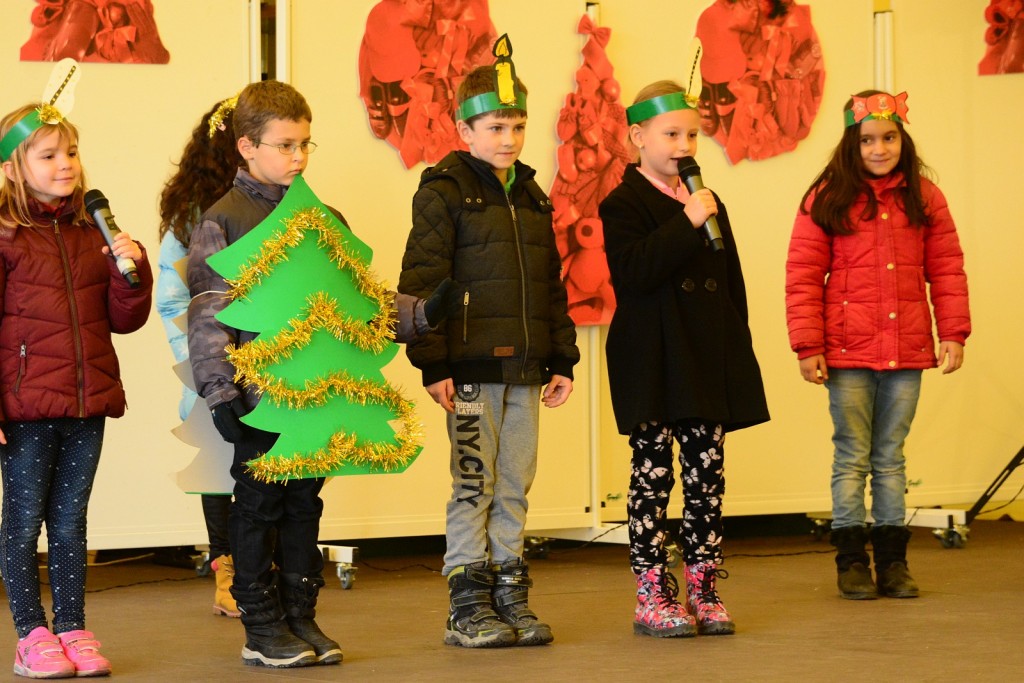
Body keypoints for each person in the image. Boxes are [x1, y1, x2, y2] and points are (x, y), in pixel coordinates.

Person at [398, 35, 580, 649]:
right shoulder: (443, 191)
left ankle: (509, 592)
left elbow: (550, 284)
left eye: (518, 126)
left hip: (526, 370)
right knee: (473, 481)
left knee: (514, 482)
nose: (509, 138)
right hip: (471, 370)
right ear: (465, 129)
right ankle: (467, 602)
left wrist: (562, 357)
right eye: (496, 127)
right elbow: (422, 283)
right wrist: (433, 363)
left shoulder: (531, 195)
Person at [599, 79, 769, 638]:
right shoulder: (623, 203)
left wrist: (736, 349)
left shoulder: (707, 202)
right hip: (652, 359)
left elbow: (730, 283)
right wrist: (687, 221)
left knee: (706, 477)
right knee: (652, 476)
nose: (684, 146)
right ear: (638, 137)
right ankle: (652, 591)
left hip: (703, 357)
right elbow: (634, 272)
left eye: (692, 135)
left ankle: (704, 587)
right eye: (671, 134)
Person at [785, 90, 970, 600]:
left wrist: (953, 332)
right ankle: (850, 562)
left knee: (890, 457)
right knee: (852, 456)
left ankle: (892, 563)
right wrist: (808, 344)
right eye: (868, 140)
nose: (879, 148)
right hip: (846, 353)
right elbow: (802, 275)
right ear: (852, 144)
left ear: (902, 140)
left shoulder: (925, 198)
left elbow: (947, 269)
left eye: (889, 138)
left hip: (906, 352)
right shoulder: (826, 197)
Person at [187, 80, 343, 670]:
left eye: (305, 144)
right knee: (258, 504)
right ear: (247, 147)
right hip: (257, 393)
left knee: (304, 502)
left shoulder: (321, 217)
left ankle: (301, 615)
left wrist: (419, 314)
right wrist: (219, 388)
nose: (298, 157)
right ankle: (260, 625)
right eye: (285, 146)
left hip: (313, 389)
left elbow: (353, 299)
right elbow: (208, 310)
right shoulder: (223, 220)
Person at [0, 101, 152, 678]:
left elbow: (123, 319)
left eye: (71, 152)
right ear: (12, 168)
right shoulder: (6, 235)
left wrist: (131, 274)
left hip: (87, 402)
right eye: (48, 155)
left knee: (70, 523)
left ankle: (71, 628)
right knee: (22, 524)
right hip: (25, 407)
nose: (65, 164)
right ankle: (30, 635)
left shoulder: (93, 231)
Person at [158, 95, 244, 619]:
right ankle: (227, 570)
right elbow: (173, 299)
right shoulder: (192, 216)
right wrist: (198, 363)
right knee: (217, 463)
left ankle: (265, 568)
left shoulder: (277, 202)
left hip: (271, 357)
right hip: (210, 358)